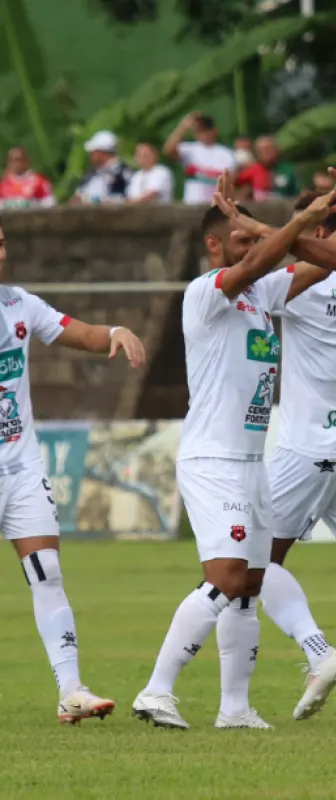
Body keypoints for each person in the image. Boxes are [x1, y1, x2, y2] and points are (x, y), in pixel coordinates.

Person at [0, 208, 144, 728]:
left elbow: (75, 332)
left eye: (2, 243)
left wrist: (115, 331)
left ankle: (70, 690)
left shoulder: (18, 304)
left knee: (48, 570)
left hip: (21, 467)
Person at [132, 174, 336, 730]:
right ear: (215, 246)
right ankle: (155, 691)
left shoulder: (262, 296)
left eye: (252, 241)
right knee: (225, 576)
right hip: (213, 460)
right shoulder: (205, 292)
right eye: (241, 242)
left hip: (251, 463)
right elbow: (255, 265)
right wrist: (293, 222)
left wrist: (305, 220)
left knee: (249, 585)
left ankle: (236, 709)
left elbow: (327, 261)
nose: (253, 253)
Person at [203, 189, 336, 721]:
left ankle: (318, 653)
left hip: (307, 447)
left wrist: (252, 225)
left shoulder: (299, 287)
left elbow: (265, 266)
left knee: (252, 562)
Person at [163, 112, 237, 204]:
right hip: (192, 204)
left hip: (216, 206)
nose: (202, 133)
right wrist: (183, 127)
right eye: (198, 130)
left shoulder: (227, 153)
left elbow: (232, 179)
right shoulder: (190, 149)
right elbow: (168, 150)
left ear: (214, 131)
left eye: (204, 130)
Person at [73, 131, 131, 204]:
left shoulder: (121, 173)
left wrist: (93, 201)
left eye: (93, 152)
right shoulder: (92, 173)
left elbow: (122, 200)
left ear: (102, 153)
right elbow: (79, 195)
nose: (90, 156)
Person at [237, 136, 300, 202]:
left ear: (277, 150)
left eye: (269, 148)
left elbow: (297, 193)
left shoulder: (289, 169)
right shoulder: (252, 170)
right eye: (262, 150)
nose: (267, 152)